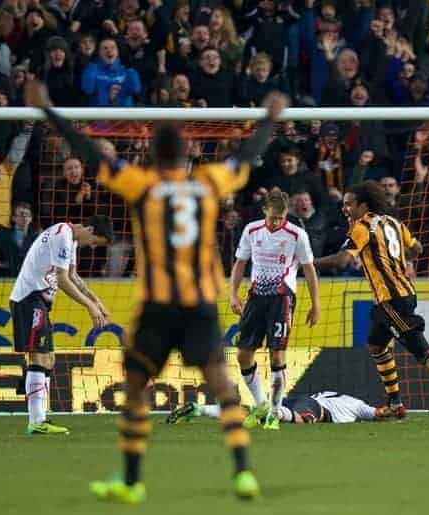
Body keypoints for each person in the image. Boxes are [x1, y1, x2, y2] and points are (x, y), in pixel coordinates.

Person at [24, 79, 289, 502]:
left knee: (135, 388)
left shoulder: (140, 185)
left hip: (158, 307)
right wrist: (269, 118)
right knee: (222, 384)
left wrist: (49, 110)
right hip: (199, 302)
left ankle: (131, 481)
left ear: (151, 155)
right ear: (186, 156)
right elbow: (245, 156)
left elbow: (92, 154)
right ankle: (243, 473)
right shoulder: (206, 184)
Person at [313, 181, 429, 423]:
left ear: (363, 205)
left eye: (349, 204)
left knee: (422, 353)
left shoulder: (362, 226)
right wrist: (399, 262)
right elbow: (418, 248)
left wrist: (309, 263)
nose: (345, 209)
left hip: (391, 301)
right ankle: (395, 403)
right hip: (401, 296)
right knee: (376, 345)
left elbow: (343, 260)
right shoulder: (394, 223)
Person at [9, 215, 113, 435]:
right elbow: (63, 280)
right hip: (30, 298)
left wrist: (95, 300)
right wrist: (89, 307)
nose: (92, 247)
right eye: (94, 241)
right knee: (41, 356)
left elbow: (73, 275)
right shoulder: (63, 236)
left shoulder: (70, 238)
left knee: (48, 358)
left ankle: (39, 417)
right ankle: (36, 421)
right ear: (89, 228)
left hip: (39, 301)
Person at [229, 188, 319, 431]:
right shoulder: (252, 230)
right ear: (264, 212)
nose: (277, 222)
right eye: (273, 217)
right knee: (243, 355)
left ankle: (275, 412)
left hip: (282, 299)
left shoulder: (297, 234)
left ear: (286, 213)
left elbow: (309, 270)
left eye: (281, 217)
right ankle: (260, 406)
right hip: (256, 297)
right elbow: (240, 264)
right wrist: (233, 295)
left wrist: (316, 304)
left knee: (277, 356)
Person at [167, 391, 396, 425]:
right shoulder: (359, 406)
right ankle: (272, 411)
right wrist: (393, 411)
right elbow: (377, 413)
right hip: (315, 407)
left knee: (253, 414)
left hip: (301, 398)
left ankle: (199, 409)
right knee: (303, 419)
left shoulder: (340, 394)